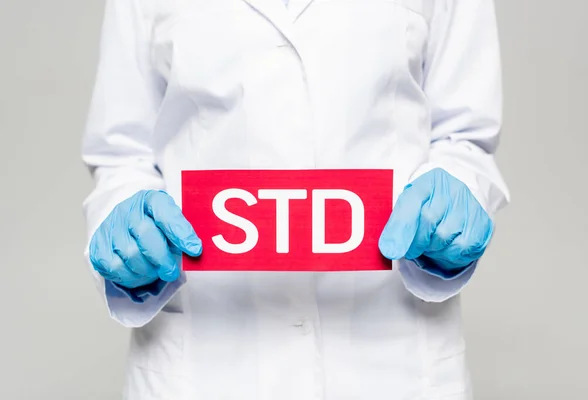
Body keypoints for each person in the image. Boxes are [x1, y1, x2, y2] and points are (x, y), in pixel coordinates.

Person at [82, 0, 509, 399]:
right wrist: (128, 225)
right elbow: (122, 151)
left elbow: (464, 136)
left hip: (393, 357)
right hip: (205, 358)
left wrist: (457, 191)